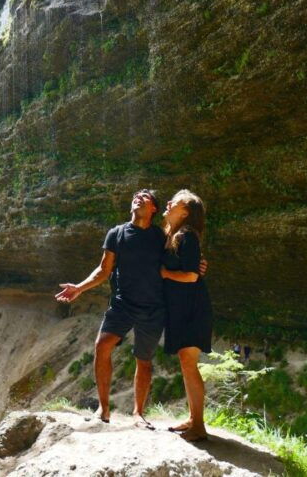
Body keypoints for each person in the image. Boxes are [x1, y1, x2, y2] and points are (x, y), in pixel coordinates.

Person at [55, 189, 167, 428]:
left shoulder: (160, 236)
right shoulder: (116, 234)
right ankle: (103, 409)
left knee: (144, 359)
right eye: (136, 195)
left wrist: (196, 264)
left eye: (145, 196)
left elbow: (175, 259)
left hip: (153, 306)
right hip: (122, 303)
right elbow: (103, 270)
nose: (138, 197)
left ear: (154, 209)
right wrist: (79, 288)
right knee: (102, 345)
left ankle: (138, 414)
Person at [160, 189, 212, 442]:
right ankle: (193, 419)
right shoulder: (173, 235)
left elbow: (191, 276)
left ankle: (199, 426)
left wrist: (164, 274)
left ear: (186, 212)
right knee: (186, 363)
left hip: (192, 308)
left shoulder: (186, 236)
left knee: (189, 364)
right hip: (182, 308)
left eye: (176, 202)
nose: (169, 203)